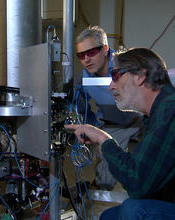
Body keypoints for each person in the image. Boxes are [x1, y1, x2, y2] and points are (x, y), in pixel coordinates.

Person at [65, 48, 175, 219]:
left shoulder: (169, 110)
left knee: (133, 209)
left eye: (116, 75)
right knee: (109, 216)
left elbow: (136, 183)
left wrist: (104, 140)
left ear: (140, 75)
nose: (110, 86)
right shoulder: (157, 113)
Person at [74, 26, 143, 190]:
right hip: (113, 123)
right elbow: (79, 104)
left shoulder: (126, 64)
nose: (86, 59)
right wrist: (93, 127)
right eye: (81, 55)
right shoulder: (83, 78)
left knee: (153, 162)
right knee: (105, 174)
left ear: (105, 49)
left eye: (91, 52)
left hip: (141, 118)